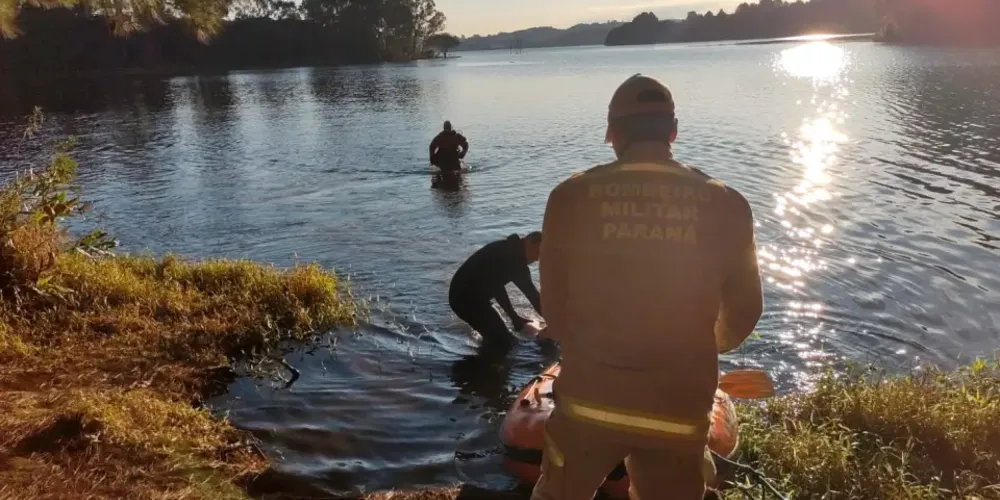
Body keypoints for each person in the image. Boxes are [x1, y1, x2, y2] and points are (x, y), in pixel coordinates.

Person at [531, 74, 764, 499]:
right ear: (673, 131)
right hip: (679, 410)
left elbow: (556, 313)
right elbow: (745, 312)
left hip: (588, 406)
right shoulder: (728, 203)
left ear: (614, 134)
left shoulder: (570, 195)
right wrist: (695, 345)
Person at [449, 232, 543, 352]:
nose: (537, 259)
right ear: (529, 242)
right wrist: (556, 324)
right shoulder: (514, 259)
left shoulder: (509, 249)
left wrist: (514, 316)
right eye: (538, 252)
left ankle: (487, 352)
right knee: (504, 342)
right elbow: (533, 296)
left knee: (501, 338)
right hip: (465, 299)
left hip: (471, 296)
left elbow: (497, 286)